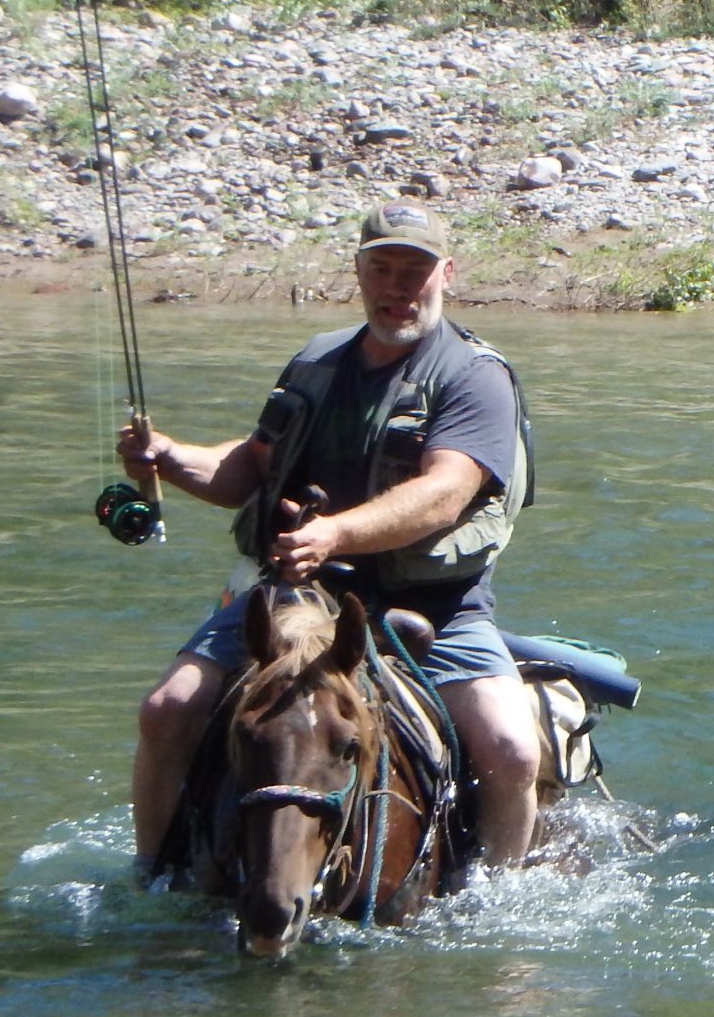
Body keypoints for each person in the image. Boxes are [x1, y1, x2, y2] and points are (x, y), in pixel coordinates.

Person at [118, 201, 542, 870]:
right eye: (383, 268)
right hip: (294, 600)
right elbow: (250, 469)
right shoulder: (316, 360)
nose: (399, 286)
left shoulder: (474, 377)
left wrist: (334, 534)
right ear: (360, 272)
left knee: (510, 749)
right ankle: (152, 875)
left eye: (416, 270)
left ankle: (501, 894)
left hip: (434, 607)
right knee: (167, 709)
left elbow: (444, 493)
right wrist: (171, 457)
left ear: (446, 274)